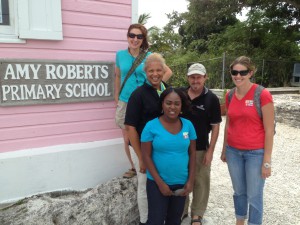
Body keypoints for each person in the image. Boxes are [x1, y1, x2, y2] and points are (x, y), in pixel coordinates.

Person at [221, 56, 274, 225]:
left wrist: (267, 161)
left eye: (242, 72)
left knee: (254, 194)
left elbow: (269, 130)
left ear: (250, 73)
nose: (238, 76)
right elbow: (228, 123)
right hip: (233, 151)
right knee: (239, 191)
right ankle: (239, 221)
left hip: (255, 153)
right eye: (234, 72)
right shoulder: (229, 95)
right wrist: (224, 149)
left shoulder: (262, 94)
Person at [114, 24, 172, 179]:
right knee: (127, 137)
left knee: (144, 132)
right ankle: (135, 165)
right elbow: (118, 77)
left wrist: (152, 88)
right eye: (132, 35)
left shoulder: (149, 56)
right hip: (126, 100)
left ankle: (148, 160)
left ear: (143, 39)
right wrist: (116, 98)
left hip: (143, 100)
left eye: (139, 36)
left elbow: (167, 71)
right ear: (127, 36)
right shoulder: (120, 55)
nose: (135, 39)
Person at [124, 52, 169, 225]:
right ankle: (145, 221)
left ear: (164, 70)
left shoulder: (168, 90)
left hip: (160, 148)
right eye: (151, 70)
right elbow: (130, 128)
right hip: (141, 148)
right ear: (145, 72)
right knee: (144, 185)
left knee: (162, 182)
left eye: (158, 70)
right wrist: (142, 158)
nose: (155, 74)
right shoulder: (138, 94)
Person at [141, 87, 197, 225]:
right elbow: (146, 156)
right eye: (168, 103)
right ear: (162, 104)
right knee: (156, 220)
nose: (172, 107)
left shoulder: (188, 125)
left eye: (177, 103)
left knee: (174, 220)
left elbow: (192, 153)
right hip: (156, 183)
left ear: (182, 105)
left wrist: (190, 181)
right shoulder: (150, 126)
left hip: (180, 183)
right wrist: (160, 183)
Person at [181, 63, 222, 225]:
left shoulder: (211, 98)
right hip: (180, 148)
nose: (195, 80)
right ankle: (182, 212)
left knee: (201, 181)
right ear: (188, 78)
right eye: (192, 77)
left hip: (200, 147)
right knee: (182, 179)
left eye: (199, 77)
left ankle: (197, 214)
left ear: (205, 78)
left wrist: (210, 151)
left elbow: (216, 126)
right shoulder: (180, 95)